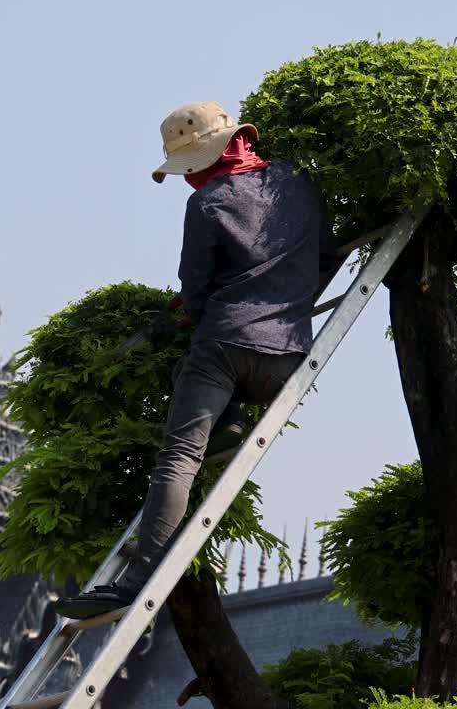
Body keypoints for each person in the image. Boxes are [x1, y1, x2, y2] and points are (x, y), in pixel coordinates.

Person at [55, 101, 338, 619]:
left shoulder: (207, 205)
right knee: (200, 385)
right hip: (289, 357)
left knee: (179, 457)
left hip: (225, 350)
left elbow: (198, 289)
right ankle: (227, 421)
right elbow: (324, 257)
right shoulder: (298, 183)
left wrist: (190, 314)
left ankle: (136, 581)